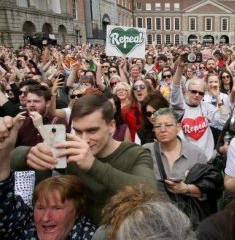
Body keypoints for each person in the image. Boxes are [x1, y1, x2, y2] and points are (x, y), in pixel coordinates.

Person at [11, 95, 156, 225]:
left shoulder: (135, 153)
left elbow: (149, 190)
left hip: (121, 237)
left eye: (92, 131)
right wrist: (29, 153)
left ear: (111, 126)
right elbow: (12, 159)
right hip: (79, 238)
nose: (84, 140)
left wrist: (92, 165)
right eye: (78, 131)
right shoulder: (70, 148)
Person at [0, 115, 95, 240]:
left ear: (77, 211)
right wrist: (4, 155)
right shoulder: (24, 228)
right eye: (40, 207)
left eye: (57, 208)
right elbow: (3, 204)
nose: (45, 217)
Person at [143, 108, 222, 227]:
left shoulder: (195, 154)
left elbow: (209, 188)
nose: (163, 130)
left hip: (188, 221)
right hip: (155, 220)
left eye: (168, 125)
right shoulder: (145, 151)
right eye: (158, 126)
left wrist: (185, 188)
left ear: (178, 127)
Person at [170, 56, 229, 160]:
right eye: (193, 91)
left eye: (201, 93)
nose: (197, 95)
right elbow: (175, 89)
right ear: (187, 91)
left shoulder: (205, 106)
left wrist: (218, 96)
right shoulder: (180, 107)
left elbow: (224, 120)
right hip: (187, 160)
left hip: (207, 160)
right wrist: (180, 68)